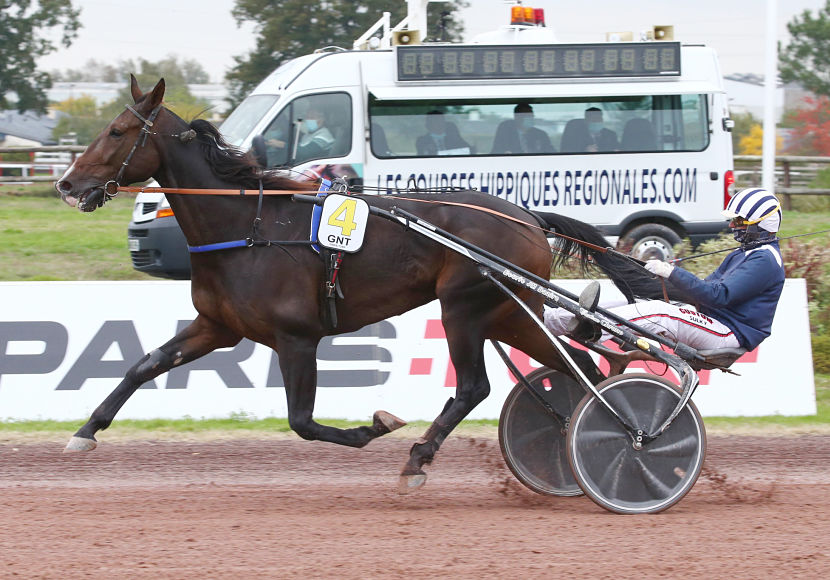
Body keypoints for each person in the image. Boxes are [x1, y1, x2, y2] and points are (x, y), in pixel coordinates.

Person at [543, 188, 786, 352]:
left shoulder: (764, 260)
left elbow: (718, 295)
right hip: (716, 321)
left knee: (661, 312)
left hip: (729, 333)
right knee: (624, 303)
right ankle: (550, 321)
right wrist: (665, 276)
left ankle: (593, 327)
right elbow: (708, 287)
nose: (733, 225)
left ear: (765, 223)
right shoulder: (743, 254)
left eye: (740, 221)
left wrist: (672, 272)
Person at [491, 103, 555, 154]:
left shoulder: (541, 135)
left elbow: (551, 152)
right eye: (526, 115)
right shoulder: (506, 134)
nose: (530, 118)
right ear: (517, 117)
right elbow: (496, 151)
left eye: (531, 115)